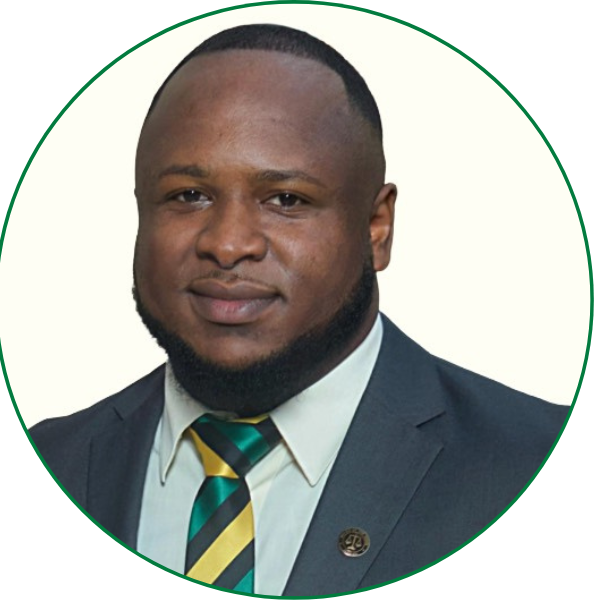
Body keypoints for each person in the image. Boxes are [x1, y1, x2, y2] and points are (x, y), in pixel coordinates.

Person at [30, 24, 569, 596]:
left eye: (286, 200)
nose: (228, 243)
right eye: (189, 195)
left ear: (377, 227)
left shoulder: (547, 467)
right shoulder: (41, 466)